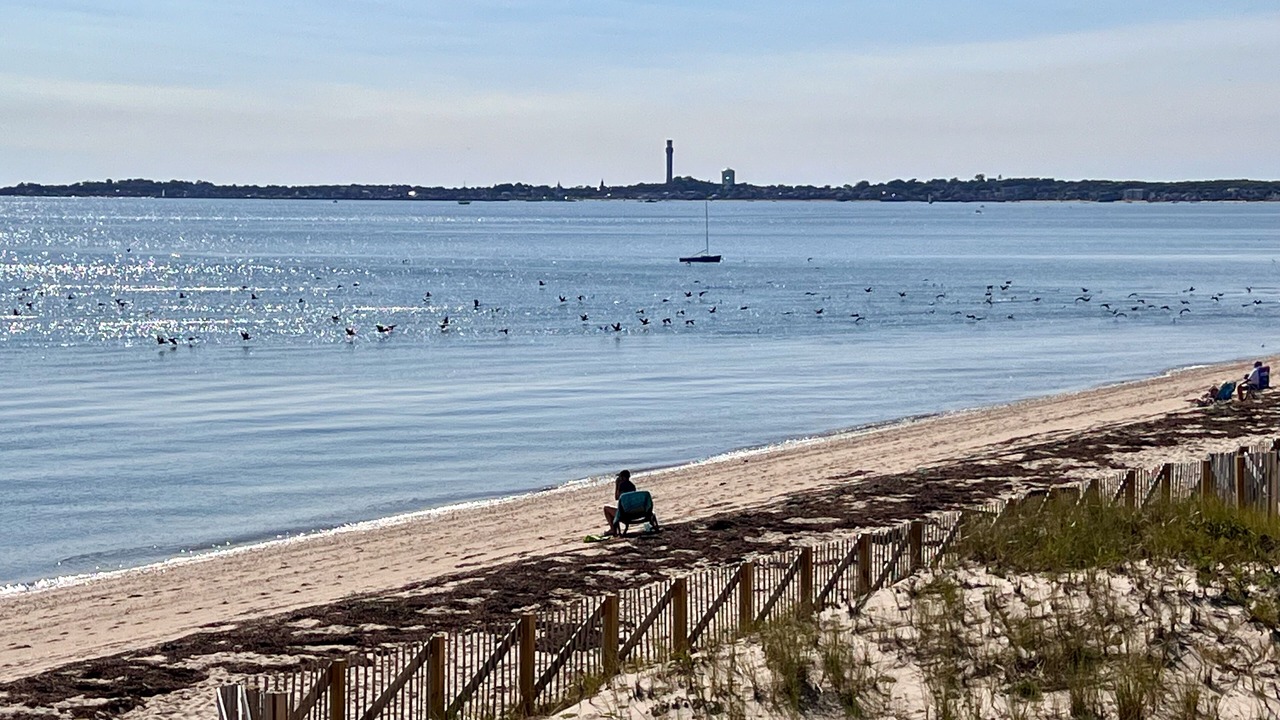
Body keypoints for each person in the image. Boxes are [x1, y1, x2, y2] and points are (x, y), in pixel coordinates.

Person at [602, 469, 637, 534]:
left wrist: (617, 485)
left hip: (624, 514)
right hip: (634, 512)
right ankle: (614, 529)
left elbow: (617, 497)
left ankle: (612, 529)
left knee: (606, 508)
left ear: (623, 478)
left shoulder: (621, 485)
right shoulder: (632, 486)